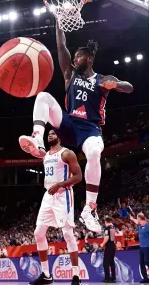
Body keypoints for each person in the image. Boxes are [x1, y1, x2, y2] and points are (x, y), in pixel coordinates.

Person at [19, 21, 133, 233]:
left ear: (89, 58)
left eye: (79, 56)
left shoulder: (101, 80)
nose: (74, 59)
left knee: (94, 151)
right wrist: (58, 21)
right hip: (69, 124)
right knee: (43, 96)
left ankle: (90, 208)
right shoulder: (70, 74)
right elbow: (61, 45)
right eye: (74, 57)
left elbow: (129, 87)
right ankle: (37, 137)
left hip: (90, 128)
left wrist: (115, 84)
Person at [29, 130, 82, 285]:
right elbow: (37, 151)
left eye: (53, 133)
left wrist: (60, 184)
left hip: (63, 194)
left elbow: (78, 176)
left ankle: (76, 276)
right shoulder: (46, 156)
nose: (50, 135)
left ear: (60, 136)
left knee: (67, 233)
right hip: (48, 195)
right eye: (49, 133)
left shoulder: (67, 153)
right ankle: (46, 275)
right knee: (38, 233)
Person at [130, 213, 149, 283]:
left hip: (147, 247)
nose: (136, 219)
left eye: (137, 218)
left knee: (147, 261)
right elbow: (135, 221)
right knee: (142, 263)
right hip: (141, 247)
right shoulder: (140, 225)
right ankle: (145, 278)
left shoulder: (147, 225)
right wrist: (132, 219)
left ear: (140, 218)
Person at [100, 217, 116, 283]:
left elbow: (107, 238)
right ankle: (113, 278)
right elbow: (113, 239)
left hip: (109, 246)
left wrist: (102, 244)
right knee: (111, 262)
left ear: (106, 222)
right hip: (113, 246)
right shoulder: (112, 228)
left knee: (105, 262)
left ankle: (107, 278)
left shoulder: (107, 228)